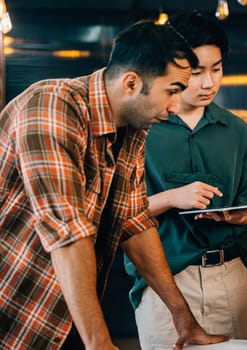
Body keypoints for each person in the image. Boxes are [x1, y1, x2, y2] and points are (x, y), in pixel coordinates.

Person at [0, 19, 228, 350]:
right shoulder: (51, 107)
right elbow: (67, 234)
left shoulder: (132, 128)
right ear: (132, 83)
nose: (176, 107)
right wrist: (100, 344)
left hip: (60, 317)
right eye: (172, 91)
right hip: (12, 312)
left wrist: (184, 319)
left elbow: (134, 221)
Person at [124, 10, 247, 350]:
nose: (208, 82)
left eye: (216, 69)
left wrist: (239, 214)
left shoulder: (236, 131)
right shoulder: (141, 128)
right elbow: (117, 213)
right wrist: (172, 198)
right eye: (197, 72)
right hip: (164, 283)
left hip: (232, 277)